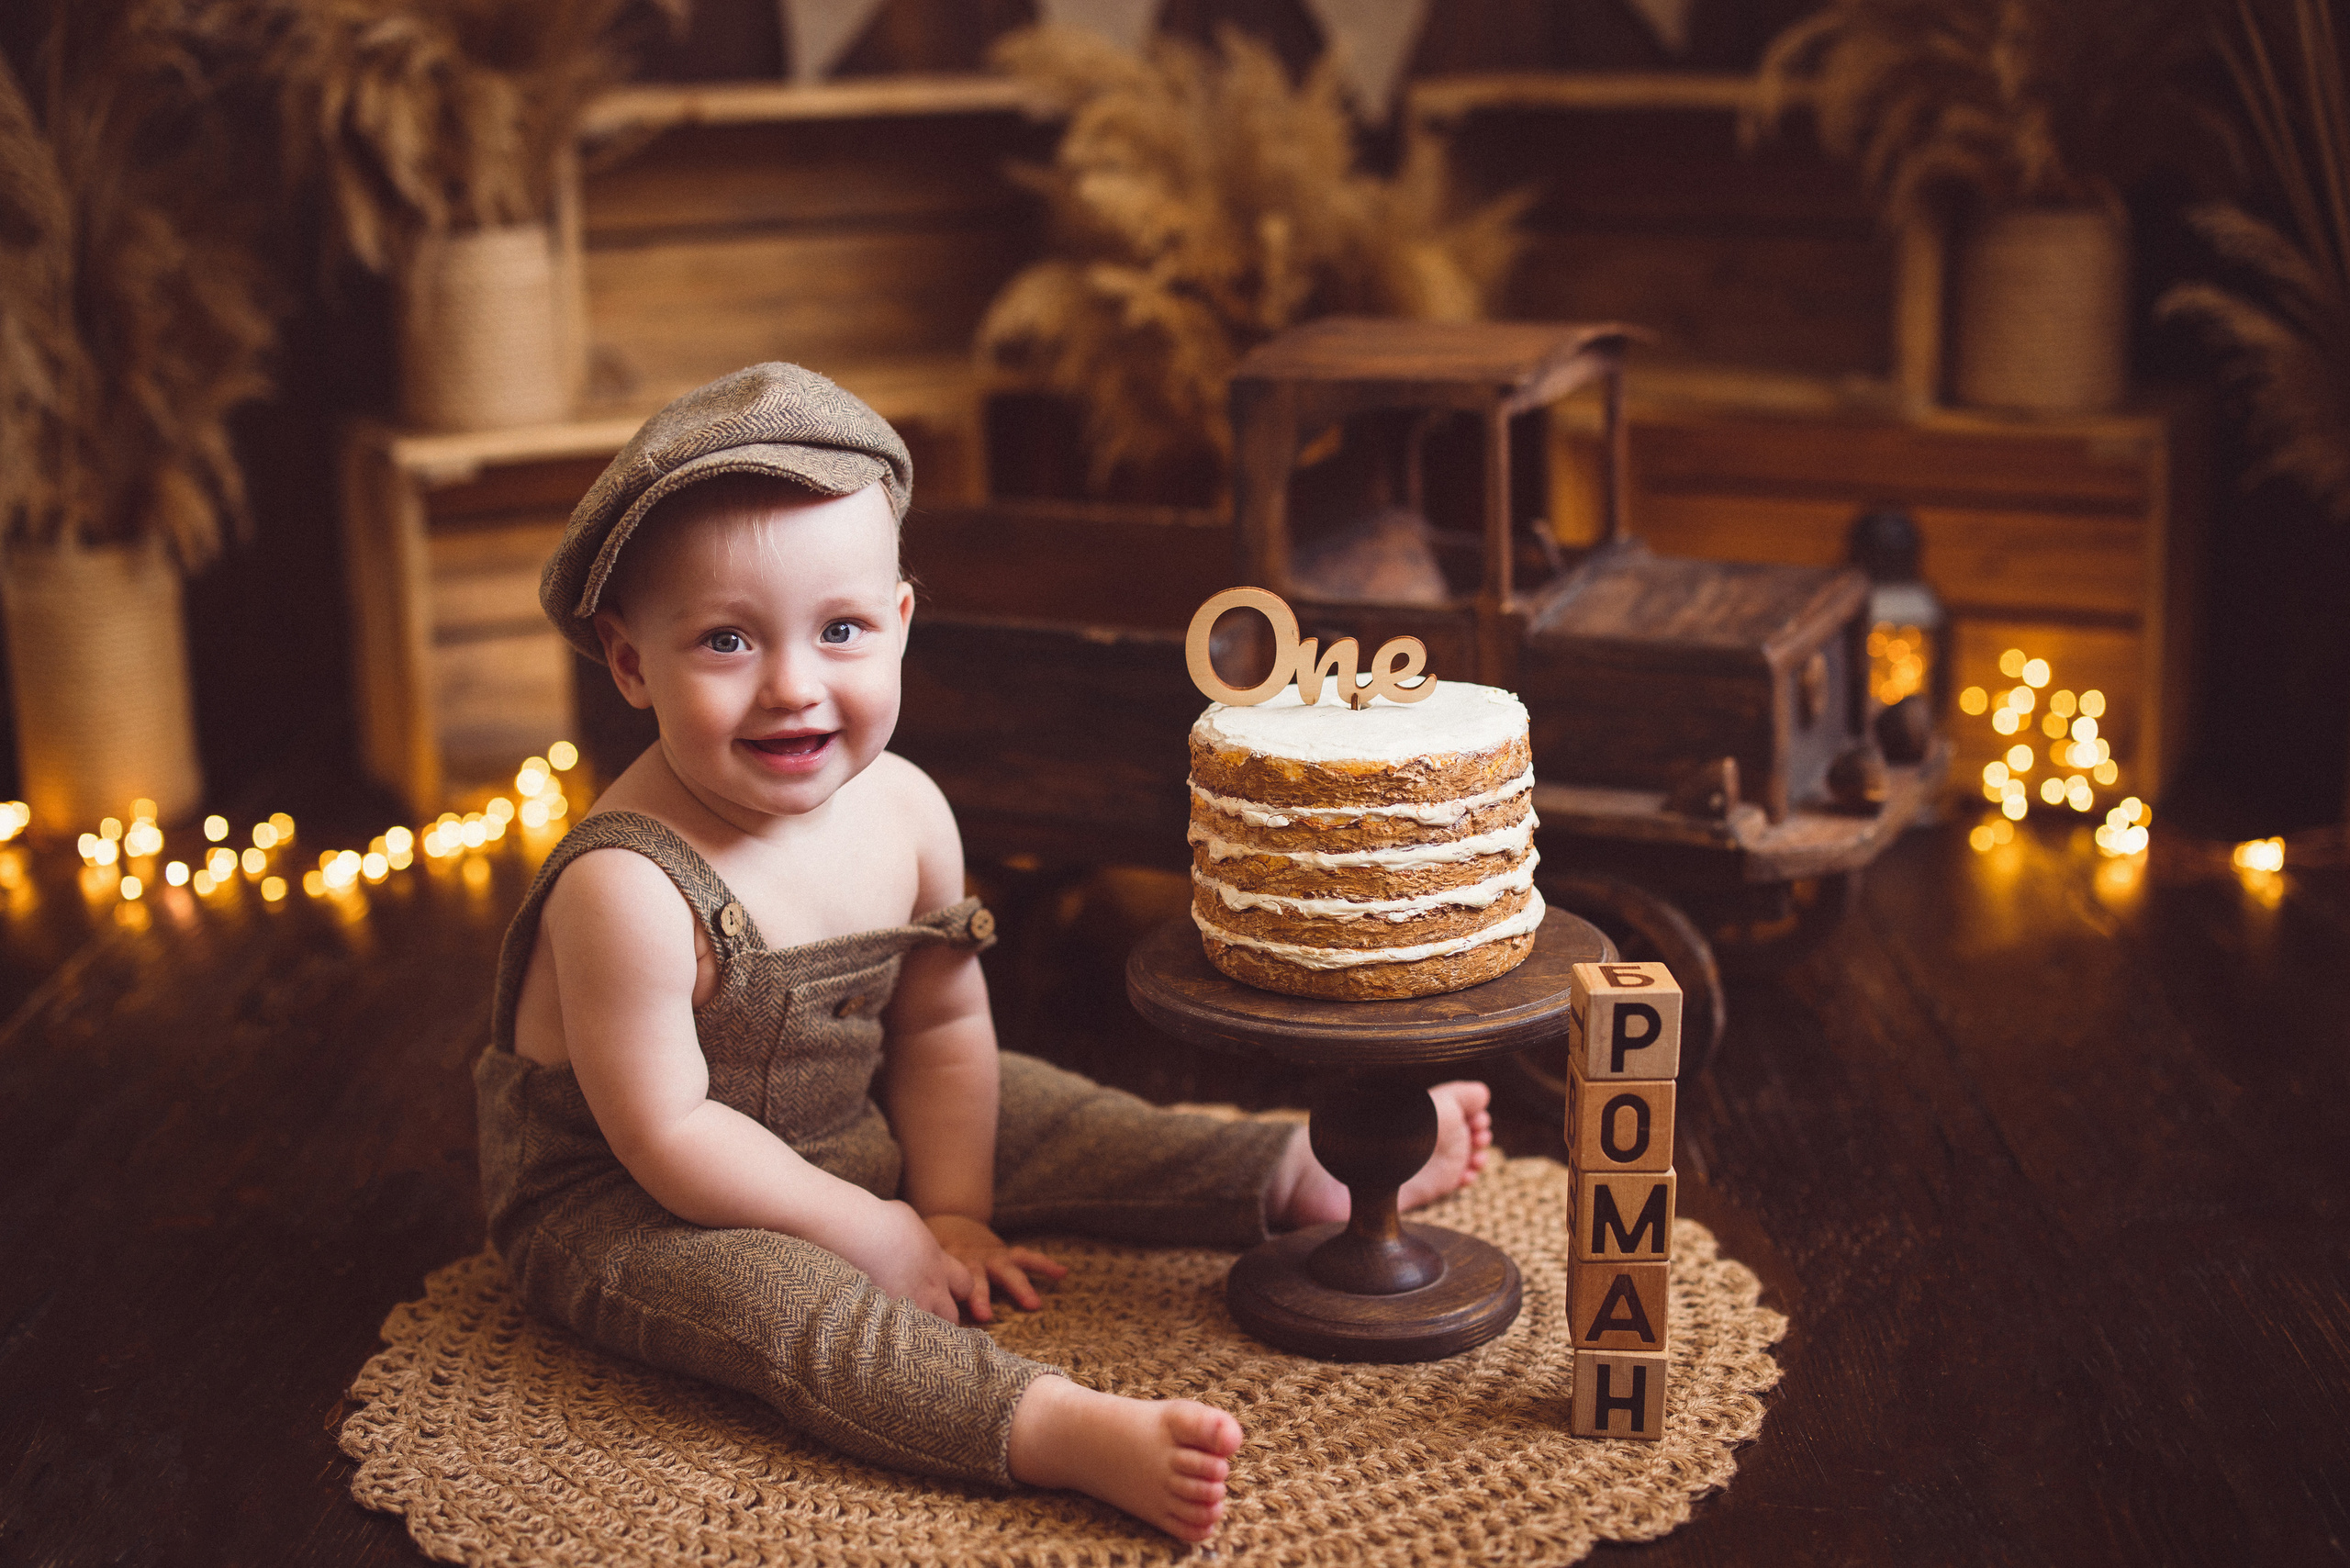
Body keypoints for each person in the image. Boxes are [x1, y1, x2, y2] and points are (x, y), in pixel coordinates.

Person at [476, 363, 1494, 1543]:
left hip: (843, 1112)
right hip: (628, 1195)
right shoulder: (627, 887)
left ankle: (1282, 1174)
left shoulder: (907, 811)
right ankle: (1048, 1424)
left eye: (841, 629)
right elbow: (667, 1133)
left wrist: (949, 1210)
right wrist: (873, 1230)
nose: (794, 686)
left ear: (902, 622)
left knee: (1055, 1110)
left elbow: (942, 1032)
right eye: (724, 641)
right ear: (630, 661)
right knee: (784, 1303)